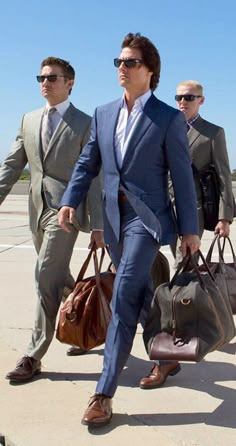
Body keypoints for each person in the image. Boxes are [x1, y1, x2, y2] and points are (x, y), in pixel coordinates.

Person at [58, 33, 200, 427]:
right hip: (113, 219)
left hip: (147, 220)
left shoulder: (168, 118)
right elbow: (88, 163)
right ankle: (165, 358)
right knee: (137, 297)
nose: (122, 67)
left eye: (131, 62)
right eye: (118, 61)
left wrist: (190, 229)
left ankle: (104, 393)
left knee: (122, 296)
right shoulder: (104, 113)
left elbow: (183, 180)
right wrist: (71, 198)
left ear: (149, 70)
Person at [3, 56, 104, 384]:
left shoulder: (85, 123)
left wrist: (98, 224)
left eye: (52, 77)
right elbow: (12, 165)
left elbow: (94, 176)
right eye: (41, 77)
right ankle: (86, 324)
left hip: (67, 212)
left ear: (69, 82)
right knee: (58, 278)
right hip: (37, 209)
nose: (45, 82)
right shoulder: (28, 120)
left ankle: (34, 354)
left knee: (45, 274)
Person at [171, 80, 234, 265]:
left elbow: (223, 176)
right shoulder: (167, 130)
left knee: (185, 261)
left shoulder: (213, 133)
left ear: (201, 100)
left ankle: (184, 294)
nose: (183, 101)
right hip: (165, 206)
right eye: (179, 97)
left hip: (193, 209)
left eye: (189, 97)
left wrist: (224, 218)